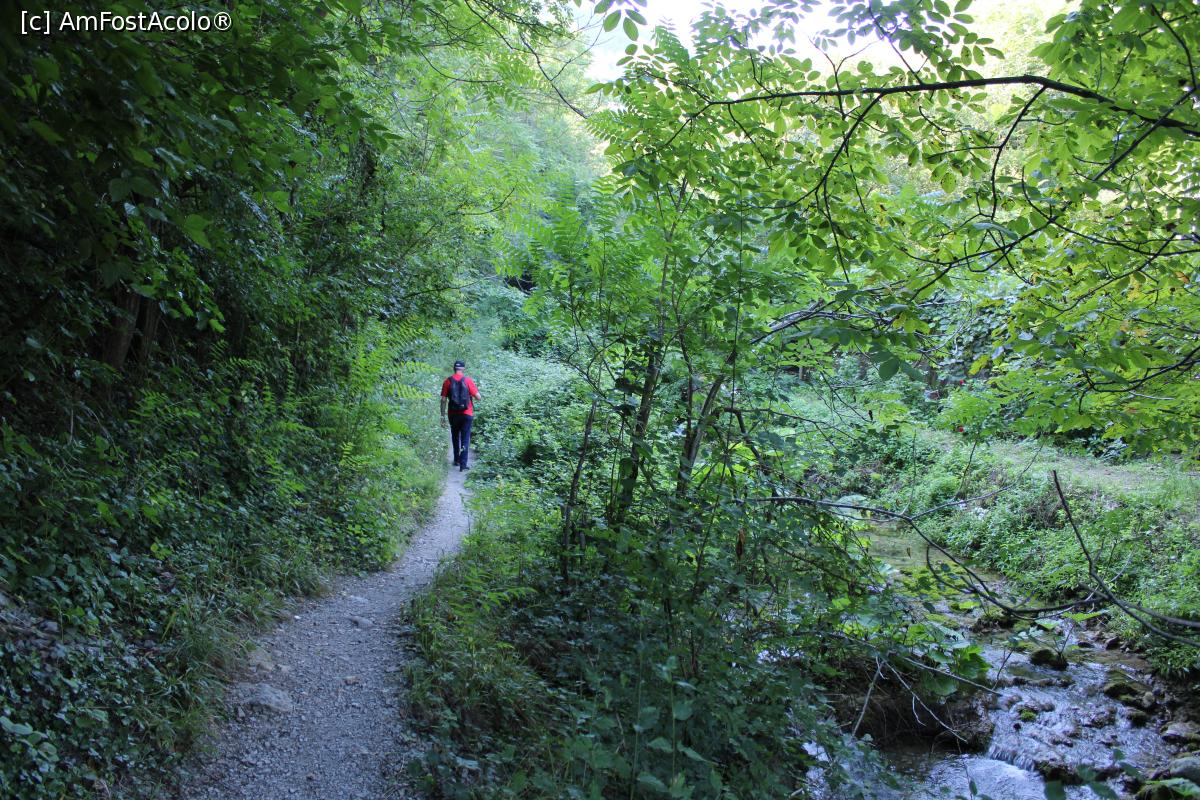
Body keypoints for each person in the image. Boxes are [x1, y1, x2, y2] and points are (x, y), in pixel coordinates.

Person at [440, 359, 481, 471]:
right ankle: (463, 464)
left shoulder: (447, 381)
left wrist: (442, 416)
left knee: (455, 436)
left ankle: (456, 460)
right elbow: (478, 397)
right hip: (467, 414)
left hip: (453, 414)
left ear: (454, 368)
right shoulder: (468, 380)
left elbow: (443, 400)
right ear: (463, 369)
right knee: (465, 438)